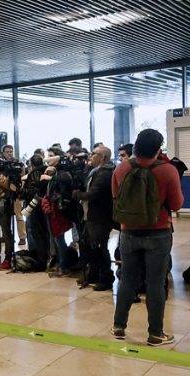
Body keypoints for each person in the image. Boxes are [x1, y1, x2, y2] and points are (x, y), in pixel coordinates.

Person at [111, 129, 184, 346]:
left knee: (128, 280)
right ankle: (155, 333)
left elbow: (116, 197)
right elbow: (177, 204)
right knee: (155, 282)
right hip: (158, 232)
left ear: (135, 147)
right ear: (159, 149)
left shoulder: (121, 168)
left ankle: (118, 327)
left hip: (128, 232)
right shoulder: (168, 170)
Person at [72, 145, 115, 290]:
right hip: (91, 215)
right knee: (91, 247)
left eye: (94, 154)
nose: (90, 156)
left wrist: (77, 194)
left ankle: (106, 278)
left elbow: (92, 194)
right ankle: (94, 274)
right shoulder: (95, 171)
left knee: (100, 248)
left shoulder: (105, 173)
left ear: (103, 158)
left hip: (100, 217)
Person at [3, 145, 27, 246]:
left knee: (19, 216)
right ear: (3, 152)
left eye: (11, 151)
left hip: (16, 192)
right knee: (5, 217)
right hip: (4, 192)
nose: (9, 153)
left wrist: (20, 189)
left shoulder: (18, 163)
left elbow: (23, 177)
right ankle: (6, 236)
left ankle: (22, 237)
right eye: (7, 151)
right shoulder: (2, 164)